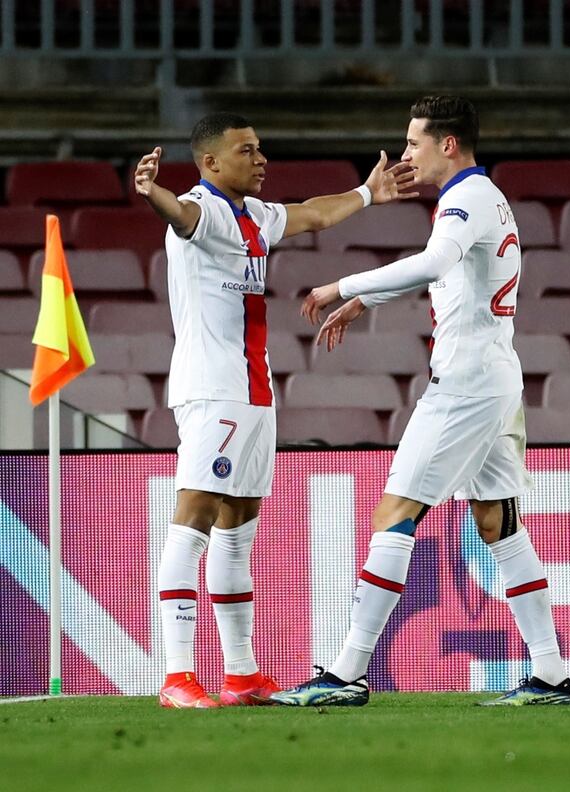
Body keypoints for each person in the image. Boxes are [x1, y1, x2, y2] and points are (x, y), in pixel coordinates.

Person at [270, 96, 570, 707]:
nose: (406, 153)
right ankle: (550, 675)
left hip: (463, 385)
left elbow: (437, 261)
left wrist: (341, 285)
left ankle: (347, 672)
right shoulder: (481, 197)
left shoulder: (464, 198)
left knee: (394, 513)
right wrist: (368, 303)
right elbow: (455, 275)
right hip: (495, 377)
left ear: (449, 145)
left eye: (414, 142)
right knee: (496, 521)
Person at [135, 113, 414, 708]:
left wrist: (369, 192)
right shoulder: (201, 209)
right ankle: (177, 677)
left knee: (238, 534)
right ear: (210, 163)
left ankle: (241, 674)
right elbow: (177, 216)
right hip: (213, 391)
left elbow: (313, 212)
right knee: (193, 523)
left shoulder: (256, 215)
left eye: (261, 149)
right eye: (246, 151)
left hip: (255, 393)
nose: (261, 159)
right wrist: (152, 192)